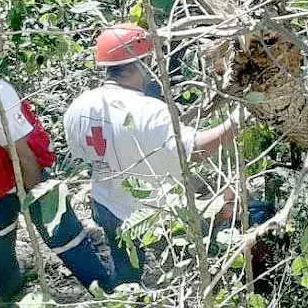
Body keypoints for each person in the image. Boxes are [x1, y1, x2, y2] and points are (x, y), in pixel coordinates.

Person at [0, 0, 113, 299]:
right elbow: (21, 154)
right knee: (62, 232)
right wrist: (38, 194)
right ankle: (103, 288)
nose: (2, 33)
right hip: (12, 177)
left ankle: (8, 288)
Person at [63, 23, 240, 288]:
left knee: (125, 273)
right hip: (151, 213)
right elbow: (194, 150)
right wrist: (237, 122)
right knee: (233, 218)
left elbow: (82, 153)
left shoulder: (77, 107)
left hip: (106, 204)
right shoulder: (149, 110)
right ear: (141, 63)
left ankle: (125, 296)